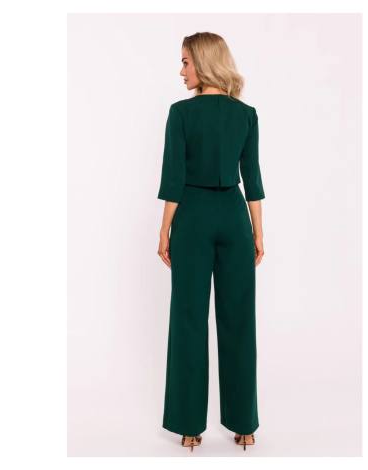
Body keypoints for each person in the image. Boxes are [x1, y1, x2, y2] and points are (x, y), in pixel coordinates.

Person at [157, 32, 265, 453]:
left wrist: (165, 229)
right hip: (235, 218)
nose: (181, 71)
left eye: (186, 61)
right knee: (239, 320)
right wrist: (257, 231)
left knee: (188, 319)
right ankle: (245, 426)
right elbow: (252, 179)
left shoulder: (181, 113)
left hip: (193, 218)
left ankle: (189, 427)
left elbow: (174, 179)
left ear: (203, 62)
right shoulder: (247, 114)